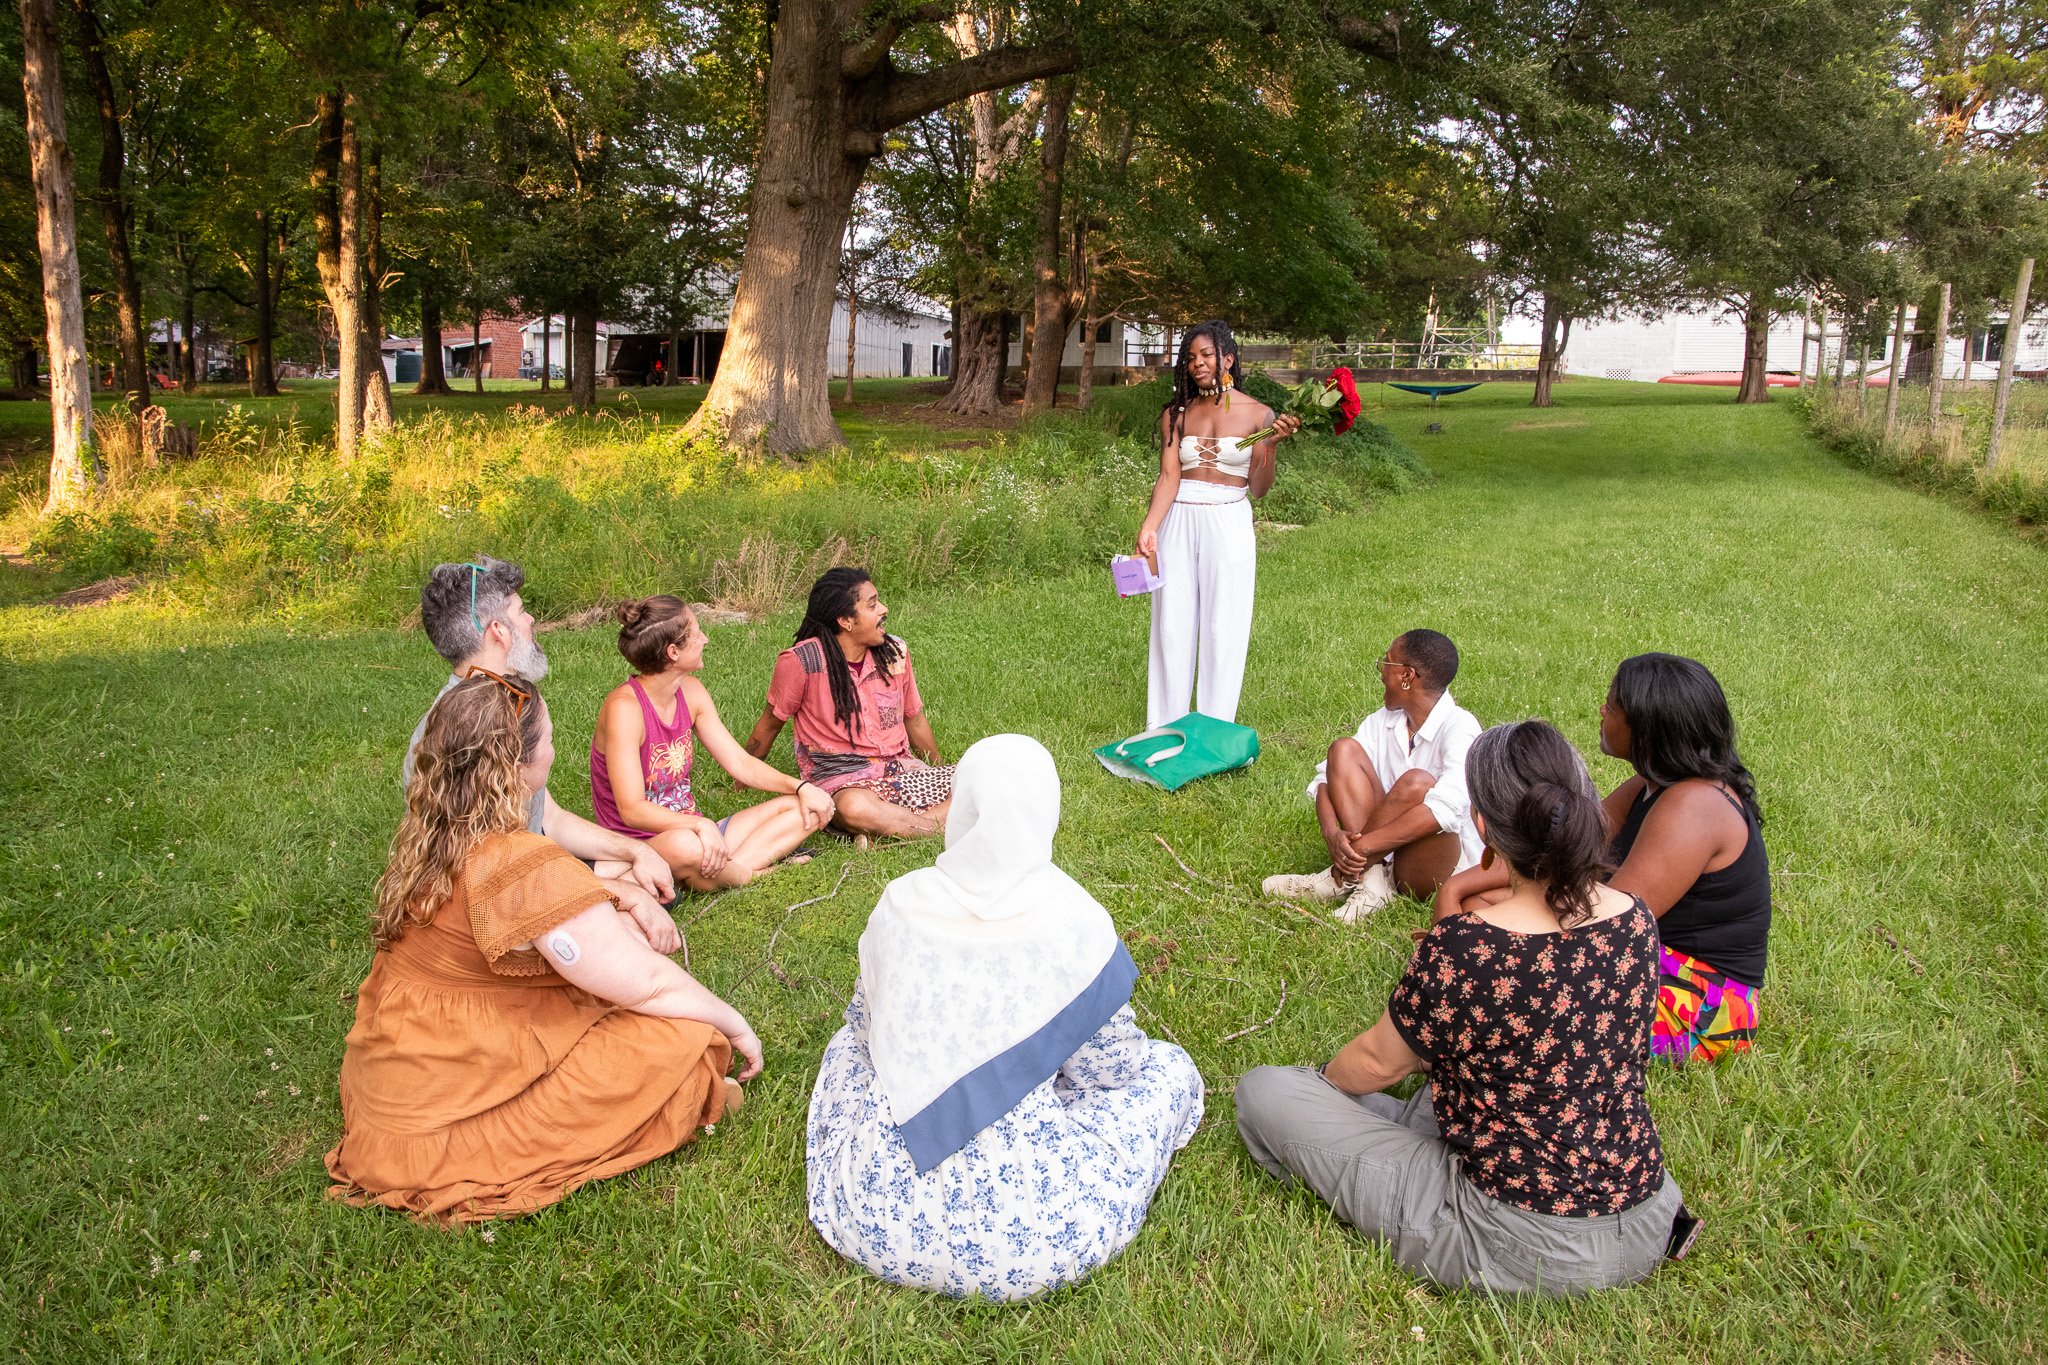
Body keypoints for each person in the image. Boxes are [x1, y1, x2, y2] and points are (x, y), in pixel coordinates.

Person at [1236, 719, 1693, 1295]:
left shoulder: (1471, 945)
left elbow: (1374, 1064)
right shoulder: (1633, 916)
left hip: (1522, 1241)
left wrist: (1320, 1091)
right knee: (1436, 1089)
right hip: (1647, 1210)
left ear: (1482, 826)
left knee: (1266, 1092)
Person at [327, 671, 762, 1224]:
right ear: (518, 767)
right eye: (551, 739)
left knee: (618, 977)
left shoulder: (434, 833)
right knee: (688, 1042)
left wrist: (620, 894)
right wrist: (735, 1025)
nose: (555, 750)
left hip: (401, 1078)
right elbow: (648, 983)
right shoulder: (519, 863)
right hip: (443, 1111)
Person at [805, 734, 1204, 1301]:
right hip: (1037, 1236)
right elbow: (1113, 1071)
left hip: (878, 1213)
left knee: (846, 1048)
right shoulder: (1074, 919)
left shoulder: (901, 901)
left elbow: (867, 1035)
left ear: (962, 806)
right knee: (1169, 1070)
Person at [1439, 653, 1769, 1064]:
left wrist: (1483, 933)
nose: (1601, 710)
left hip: (1697, 1002)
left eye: (1612, 706)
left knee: (1512, 970)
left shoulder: (1694, 807)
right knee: (1482, 909)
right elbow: (1560, 848)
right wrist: (1455, 890)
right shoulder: (1648, 786)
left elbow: (1609, 931)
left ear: (1647, 729)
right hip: (1644, 956)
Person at [406, 556, 682, 950]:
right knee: (632, 919)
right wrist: (621, 895)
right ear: (498, 632)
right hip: (499, 902)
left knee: (648, 879)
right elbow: (493, 878)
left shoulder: (511, 702)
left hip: (534, 868)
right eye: (521, 611)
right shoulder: (463, 729)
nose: (531, 619)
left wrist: (635, 850)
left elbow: (548, 818)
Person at [591, 596, 837, 889]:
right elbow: (632, 809)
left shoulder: (691, 691)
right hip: (644, 845)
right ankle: (750, 875)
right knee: (687, 846)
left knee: (804, 808)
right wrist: (699, 824)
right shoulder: (625, 709)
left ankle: (723, 872)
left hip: (700, 833)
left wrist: (801, 787)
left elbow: (740, 763)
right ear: (673, 652)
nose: (705, 639)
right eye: (697, 634)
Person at [1135, 320, 1300, 728]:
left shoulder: (1258, 414)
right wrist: (1149, 526)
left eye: (1206, 355)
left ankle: (1214, 727)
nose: (1198, 363)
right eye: (1191, 357)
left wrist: (1270, 445)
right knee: (1171, 624)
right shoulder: (1176, 414)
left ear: (1227, 358)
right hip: (1179, 519)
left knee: (1223, 624)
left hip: (1228, 519)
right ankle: (1166, 725)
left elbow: (1259, 488)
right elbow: (1168, 476)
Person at [1262, 629, 1481, 922]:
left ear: (1407, 676)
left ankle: (1343, 877)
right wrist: (1331, 834)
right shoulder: (1384, 720)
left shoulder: (1461, 727)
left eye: (1386, 663)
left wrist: (1360, 849)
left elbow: (1448, 811)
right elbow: (1326, 781)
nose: (1381, 672)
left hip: (1435, 867)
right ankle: (1372, 880)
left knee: (1417, 785)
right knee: (1342, 750)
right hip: (1384, 853)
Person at [745, 568, 952, 842]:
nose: (884, 609)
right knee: (854, 808)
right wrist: (741, 784)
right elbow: (770, 725)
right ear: (845, 621)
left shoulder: (895, 652)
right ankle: (938, 828)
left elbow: (913, 718)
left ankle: (888, 831)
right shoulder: (801, 662)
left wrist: (938, 772)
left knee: (977, 777)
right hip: (843, 781)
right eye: (872, 605)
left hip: (902, 772)